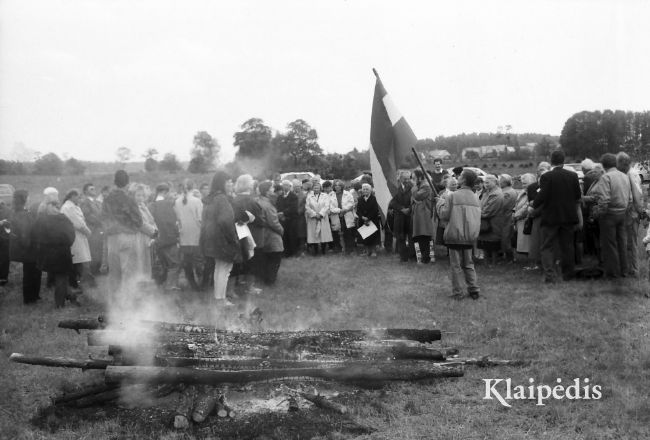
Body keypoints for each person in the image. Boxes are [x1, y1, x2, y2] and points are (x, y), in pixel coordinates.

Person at [531, 150, 582, 283]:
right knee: (567, 246)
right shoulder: (572, 175)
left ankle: (550, 275)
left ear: (551, 161)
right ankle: (568, 274)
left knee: (547, 246)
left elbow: (542, 196)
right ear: (563, 160)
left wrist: (533, 205)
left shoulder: (547, 177)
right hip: (568, 216)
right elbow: (577, 196)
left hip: (551, 217)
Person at [199, 171, 242, 306]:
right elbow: (226, 222)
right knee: (224, 269)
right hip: (222, 240)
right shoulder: (222, 199)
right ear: (221, 183)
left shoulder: (210, 198)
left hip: (210, 238)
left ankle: (219, 298)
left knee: (219, 268)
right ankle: (220, 299)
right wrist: (233, 239)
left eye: (231, 182)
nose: (231, 184)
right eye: (228, 182)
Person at [438, 169, 481, 300]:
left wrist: (439, 203)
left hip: (455, 235)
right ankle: (474, 290)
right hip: (469, 236)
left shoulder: (453, 196)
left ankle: (458, 292)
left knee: (456, 265)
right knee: (468, 263)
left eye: (460, 176)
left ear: (464, 180)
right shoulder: (475, 197)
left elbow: (444, 215)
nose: (458, 177)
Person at [33, 187, 77, 308]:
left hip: (47, 254)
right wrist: (66, 244)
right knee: (61, 278)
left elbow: (36, 235)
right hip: (62, 253)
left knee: (58, 277)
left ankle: (71, 295)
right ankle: (60, 304)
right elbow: (71, 236)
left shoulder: (41, 220)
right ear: (56, 207)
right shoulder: (63, 219)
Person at [102, 170, 143, 294]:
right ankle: (127, 305)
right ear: (127, 183)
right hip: (126, 237)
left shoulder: (107, 199)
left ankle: (115, 305)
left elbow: (103, 219)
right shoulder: (129, 199)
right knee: (128, 272)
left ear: (115, 182)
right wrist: (128, 228)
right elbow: (138, 221)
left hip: (112, 239)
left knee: (114, 273)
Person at [591, 153, 631, 278]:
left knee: (609, 245)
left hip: (609, 215)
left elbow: (604, 201)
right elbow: (629, 198)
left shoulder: (606, 177)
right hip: (623, 213)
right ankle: (624, 271)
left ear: (603, 165)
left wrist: (597, 214)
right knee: (622, 243)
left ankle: (612, 274)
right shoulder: (625, 176)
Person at [232, 174, 265, 294]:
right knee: (252, 261)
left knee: (240, 261)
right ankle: (249, 287)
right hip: (253, 235)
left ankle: (238, 284)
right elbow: (261, 221)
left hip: (238, 234)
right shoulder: (252, 201)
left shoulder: (234, 200)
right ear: (249, 185)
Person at [9, 190, 41, 304]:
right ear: (24, 199)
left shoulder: (19, 212)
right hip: (29, 248)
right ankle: (29, 299)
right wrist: (28, 245)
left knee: (33, 272)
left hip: (29, 248)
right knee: (30, 273)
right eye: (28, 197)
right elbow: (24, 232)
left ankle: (34, 296)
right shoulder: (23, 214)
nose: (29, 198)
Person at [616, 152, 644, 278]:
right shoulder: (629, 173)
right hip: (631, 211)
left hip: (631, 212)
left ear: (623, 163)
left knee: (631, 243)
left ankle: (634, 270)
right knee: (628, 242)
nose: (617, 166)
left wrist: (639, 211)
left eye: (618, 163)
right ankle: (630, 269)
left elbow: (637, 195)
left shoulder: (631, 174)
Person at [149, 183, 180, 289]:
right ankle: (171, 286)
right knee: (174, 263)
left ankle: (160, 285)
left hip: (157, 238)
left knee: (162, 264)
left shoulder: (151, 205)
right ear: (164, 192)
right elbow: (173, 221)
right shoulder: (167, 204)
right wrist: (177, 235)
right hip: (169, 238)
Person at [60, 189, 92, 292]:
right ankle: (75, 286)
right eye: (78, 197)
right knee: (77, 262)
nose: (80, 199)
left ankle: (78, 284)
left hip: (79, 237)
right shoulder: (68, 207)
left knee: (79, 261)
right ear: (72, 196)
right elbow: (78, 223)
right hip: (75, 237)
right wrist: (87, 231)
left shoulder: (73, 206)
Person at [174, 179, 203, 291]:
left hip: (184, 236)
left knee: (187, 261)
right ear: (193, 187)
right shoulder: (197, 201)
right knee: (198, 260)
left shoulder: (177, 201)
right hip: (196, 234)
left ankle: (192, 284)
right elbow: (200, 219)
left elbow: (178, 219)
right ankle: (201, 283)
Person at [256, 181, 284, 285]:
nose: (274, 190)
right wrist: (282, 230)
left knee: (265, 258)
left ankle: (264, 279)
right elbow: (273, 223)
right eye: (272, 188)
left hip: (262, 234)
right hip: (271, 235)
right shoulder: (268, 204)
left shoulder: (258, 201)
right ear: (267, 192)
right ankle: (270, 281)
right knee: (275, 258)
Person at [525, 162, 551, 270]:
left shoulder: (550, 188)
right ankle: (537, 263)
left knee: (545, 241)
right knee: (536, 242)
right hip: (536, 218)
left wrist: (533, 210)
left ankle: (546, 265)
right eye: (539, 176)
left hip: (545, 216)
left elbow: (546, 203)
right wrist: (530, 206)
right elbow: (531, 200)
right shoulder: (533, 187)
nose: (540, 178)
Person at [131, 184, 158, 278]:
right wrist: (154, 232)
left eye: (142, 195)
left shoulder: (144, 207)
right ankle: (139, 283)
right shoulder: (133, 208)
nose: (140, 198)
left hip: (146, 238)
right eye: (138, 195)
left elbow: (152, 220)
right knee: (140, 261)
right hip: (137, 237)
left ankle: (146, 283)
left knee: (146, 261)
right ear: (133, 195)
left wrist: (154, 231)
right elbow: (141, 224)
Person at [477, 175, 504, 266]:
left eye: (488, 182)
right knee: (484, 243)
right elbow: (480, 205)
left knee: (493, 244)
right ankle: (486, 263)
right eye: (485, 182)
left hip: (493, 223)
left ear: (495, 182)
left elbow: (488, 210)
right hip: (485, 222)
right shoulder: (486, 193)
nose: (485, 184)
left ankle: (494, 263)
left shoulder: (497, 194)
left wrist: (477, 213)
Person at [79, 183, 104, 276]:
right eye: (91, 189)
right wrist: (100, 221)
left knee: (100, 251)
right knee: (93, 252)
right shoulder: (85, 203)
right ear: (85, 191)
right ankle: (93, 273)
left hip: (100, 229)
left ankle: (99, 271)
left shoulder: (97, 202)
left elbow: (103, 213)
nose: (94, 190)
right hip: (93, 230)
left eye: (94, 189)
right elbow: (88, 215)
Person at [389, 171, 413, 262]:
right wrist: (402, 209)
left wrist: (409, 209)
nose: (407, 180)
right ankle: (403, 257)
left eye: (408, 178)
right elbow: (392, 201)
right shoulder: (394, 188)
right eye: (405, 178)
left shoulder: (413, 187)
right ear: (400, 178)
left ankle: (412, 255)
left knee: (411, 236)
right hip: (399, 215)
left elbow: (415, 200)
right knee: (400, 236)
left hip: (410, 215)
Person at [411, 169, 434, 264]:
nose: (412, 180)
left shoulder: (426, 186)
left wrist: (413, 189)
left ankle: (426, 258)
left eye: (414, 178)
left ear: (420, 177)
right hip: (419, 213)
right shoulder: (420, 185)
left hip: (424, 214)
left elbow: (416, 196)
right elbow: (414, 198)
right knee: (420, 236)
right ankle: (423, 257)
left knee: (424, 236)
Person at [305, 182, 333, 255]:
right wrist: (314, 214)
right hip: (313, 218)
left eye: (317, 187)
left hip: (322, 217)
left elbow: (327, 206)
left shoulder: (325, 196)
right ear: (312, 188)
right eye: (315, 188)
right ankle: (316, 251)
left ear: (320, 188)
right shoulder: (309, 196)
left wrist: (320, 214)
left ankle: (323, 251)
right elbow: (307, 207)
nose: (316, 189)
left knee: (323, 234)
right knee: (314, 235)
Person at [356, 183, 381, 257]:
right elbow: (358, 210)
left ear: (370, 190)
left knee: (373, 236)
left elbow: (375, 210)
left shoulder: (374, 198)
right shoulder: (360, 199)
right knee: (365, 236)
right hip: (363, 220)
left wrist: (368, 217)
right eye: (364, 189)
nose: (365, 190)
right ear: (362, 190)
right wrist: (362, 217)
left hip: (372, 220)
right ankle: (367, 251)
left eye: (367, 189)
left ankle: (373, 251)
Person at [513, 173, 536, 256]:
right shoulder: (522, 192)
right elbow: (517, 203)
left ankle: (531, 260)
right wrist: (514, 212)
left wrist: (515, 216)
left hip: (526, 220)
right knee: (523, 243)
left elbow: (527, 207)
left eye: (525, 183)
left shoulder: (532, 193)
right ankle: (527, 260)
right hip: (520, 220)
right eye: (522, 183)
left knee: (529, 243)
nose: (523, 186)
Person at [276, 180, 299, 257]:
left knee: (292, 236)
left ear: (290, 186)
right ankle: (286, 253)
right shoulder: (280, 196)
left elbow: (294, 208)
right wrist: (280, 214)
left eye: (286, 185)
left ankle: (293, 252)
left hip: (292, 219)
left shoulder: (294, 196)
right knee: (284, 236)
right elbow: (278, 206)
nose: (285, 186)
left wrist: (283, 213)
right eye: (283, 185)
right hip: (282, 219)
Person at [333, 179, 356, 254]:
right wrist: (339, 211)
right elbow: (330, 207)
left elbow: (351, 203)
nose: (337, 187)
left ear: (342, 186)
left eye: (339, 185)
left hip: (346, 215)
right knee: (338, 233)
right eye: (335, 185)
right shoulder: (331, 195)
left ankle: (350, 249)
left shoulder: (348, 194)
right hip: (337, 215)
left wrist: (344, 210)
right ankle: (341, 248)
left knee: (348, 233)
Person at [499, 174, 517, 263]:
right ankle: (508, 257)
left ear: (505, 182)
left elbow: (502, 205)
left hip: (506, 217)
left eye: (500, 181)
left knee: (506, 239)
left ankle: (510, 258)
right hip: (506, 217)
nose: (499, 182)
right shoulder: (510, 191)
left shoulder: (507, 193)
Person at [322, 181, 342, 252]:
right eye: (325, 188)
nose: (327, 189)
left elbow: (337, 205)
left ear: (331, 187)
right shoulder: (322, 195)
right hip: (325, 216)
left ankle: (338, 247)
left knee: (336, 232)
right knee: (328, 231)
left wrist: (332, 210)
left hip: (334, 215)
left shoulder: (335, 194)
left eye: (328, 187)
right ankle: (331, 247)